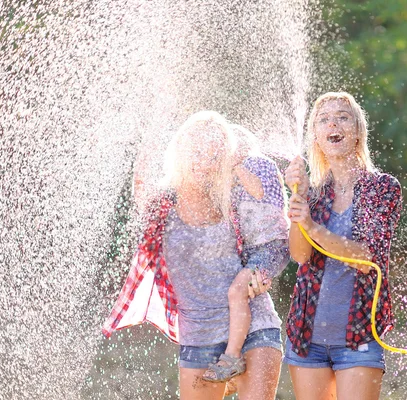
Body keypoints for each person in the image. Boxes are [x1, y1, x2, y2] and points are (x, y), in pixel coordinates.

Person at [102, 111, 289, 400]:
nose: (205, 162)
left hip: (255, 327)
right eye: (197, 152)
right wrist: (147, 132)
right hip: (199, 338)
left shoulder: (233, 199)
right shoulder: (161, 206)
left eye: (215, 156)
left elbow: (268, 242)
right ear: (180, 152)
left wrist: (261, 274)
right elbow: (139, 186)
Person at [284, 92, 402, 400]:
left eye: (342, 117)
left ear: (358, 131)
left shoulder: (382, 188)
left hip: (359, 335)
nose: (332, 123)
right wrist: (298, 200)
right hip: (307, 337)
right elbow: (300, 255)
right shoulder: (314, 193)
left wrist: (311, 225)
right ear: (317, 137)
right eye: (323, 120)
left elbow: (366, 258)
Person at [201, 124, 288, 383]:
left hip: (270, 245)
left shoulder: (259, 165)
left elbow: (260, 192)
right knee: (233, 293)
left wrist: (237, 165)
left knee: (237, 291)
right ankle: (231, 369)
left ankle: (232, 357)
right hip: (250, 250)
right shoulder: (229, 179)